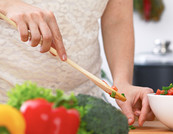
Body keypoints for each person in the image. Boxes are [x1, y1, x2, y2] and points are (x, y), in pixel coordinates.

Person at [0, 0, 154, 126]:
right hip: (6, 108)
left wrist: (123, 82)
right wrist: (7, 4)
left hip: (85, 110)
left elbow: (117, 20)